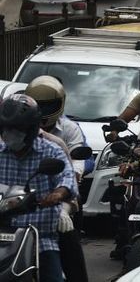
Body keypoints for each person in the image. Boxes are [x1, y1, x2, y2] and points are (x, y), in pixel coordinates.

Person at [0, 95, 77, 282]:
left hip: (40, 238)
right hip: (3, 235)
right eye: (6, 129)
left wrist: (58, 194)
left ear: (31, 129)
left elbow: (68, 179)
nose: (10, 134)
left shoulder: (51, 151)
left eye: (16, 129)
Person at [24, 77, 91, 179]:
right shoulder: (20, 126)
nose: (43, 110)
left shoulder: (70, 128)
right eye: (39, 105)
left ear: (62, 101)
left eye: (50, 105)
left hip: (59, 181)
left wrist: (74, 175)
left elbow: (78, 160)